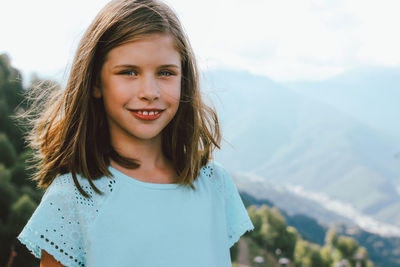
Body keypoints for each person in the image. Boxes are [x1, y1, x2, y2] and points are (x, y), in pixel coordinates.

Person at [17, 0, 254, 266]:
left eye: (165, 73)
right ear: (95, 82)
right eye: (129, 72)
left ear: (183, 81)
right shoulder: (72, 198)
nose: (150, 92)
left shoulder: (215, 185)